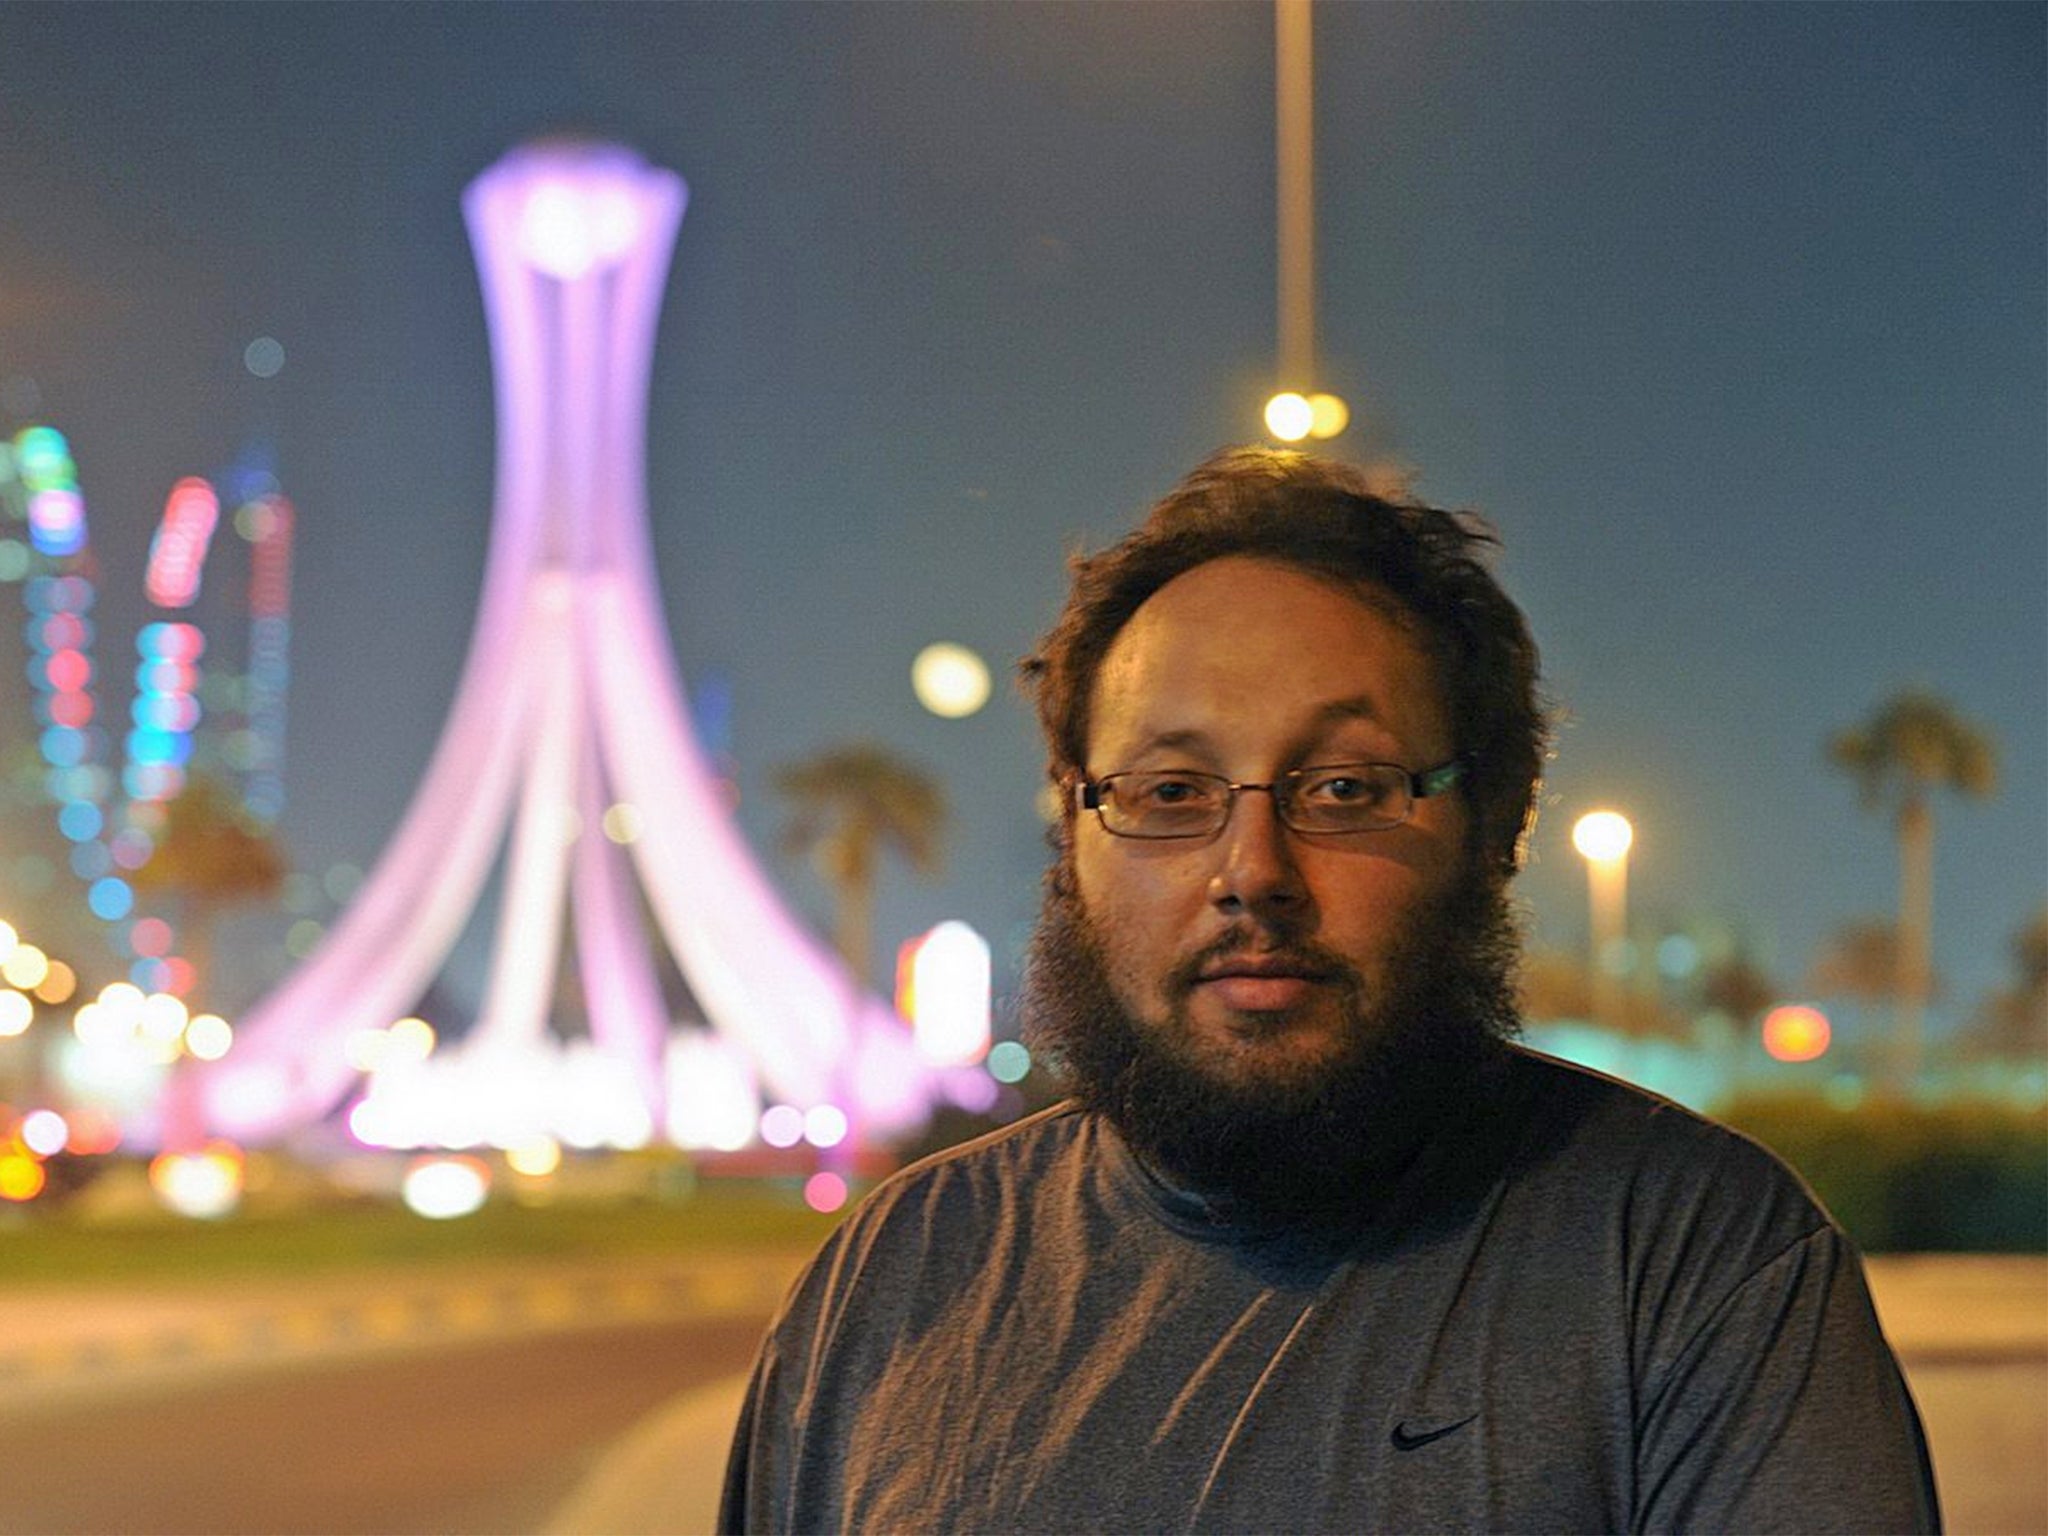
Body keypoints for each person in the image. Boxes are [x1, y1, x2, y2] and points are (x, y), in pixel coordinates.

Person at [719, 448, 1940, 1534]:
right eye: (1168, 792)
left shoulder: (1686, 1268)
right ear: (1073, 838)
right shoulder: (890, 1285)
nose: (1251, 873)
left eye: (1347, 789)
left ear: (1494, 824)